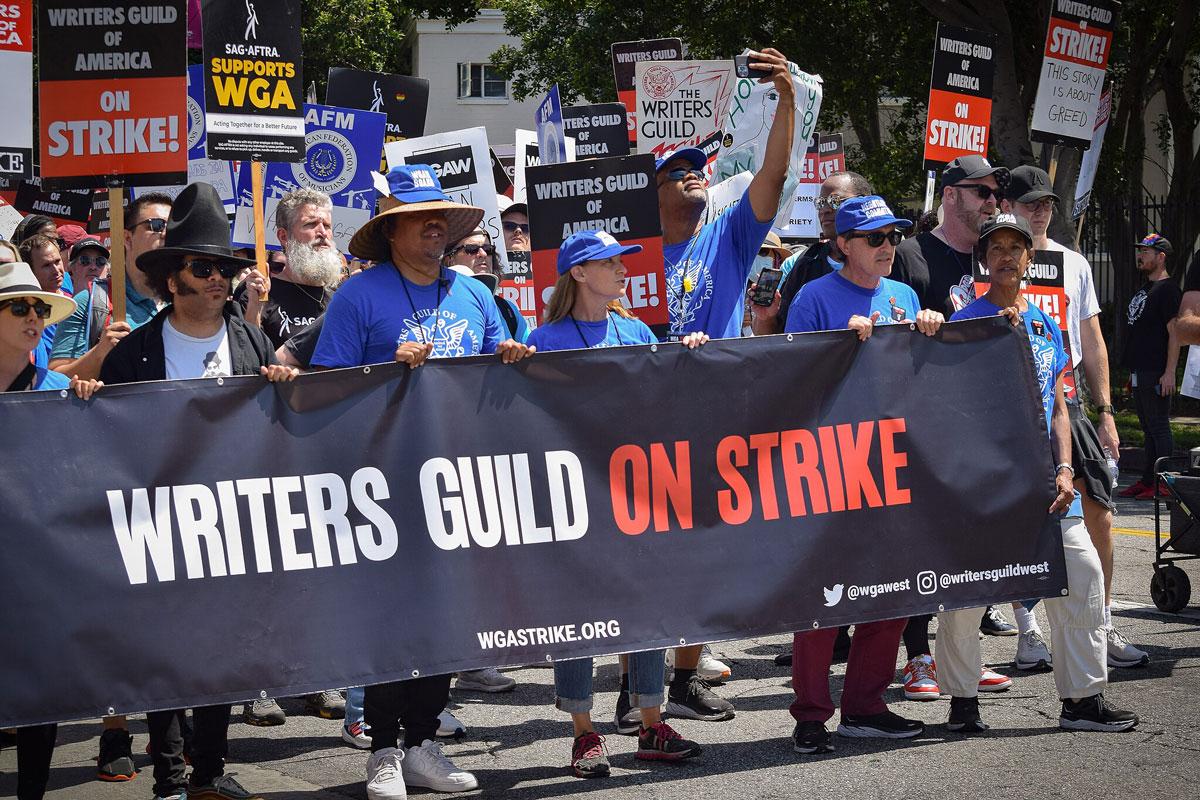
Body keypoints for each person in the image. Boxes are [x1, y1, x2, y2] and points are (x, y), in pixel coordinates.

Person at [312, 164, 534, 800]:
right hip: (383, 482)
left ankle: (422, 742)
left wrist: (511, 358)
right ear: (393, 231)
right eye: (421, 217)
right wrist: (385, 368)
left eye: (443, 216)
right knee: (390, 619)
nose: (437, 226)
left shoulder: (474, 293)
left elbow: (497, 367)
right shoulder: (359, 296)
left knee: (446, 616)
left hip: (458, 479)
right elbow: (328, 386)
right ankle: (382, 749)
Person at [99, 182, 296, 800]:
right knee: (167, 652)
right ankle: (172, 773)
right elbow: (107, 441)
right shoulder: (133, 355)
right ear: (171, 277)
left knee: (227, 650)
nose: (220, 280)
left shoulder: (251, 341)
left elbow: (277, 428)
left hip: (232, 524)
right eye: (204, 268)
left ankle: (210, 769)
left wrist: (283, 384)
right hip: (159, 521)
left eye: (226, 269)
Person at [943, 213, 1139, 734]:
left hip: (1050, 484)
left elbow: (1057, 406)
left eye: (1016, 246)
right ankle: (962, 702)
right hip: (984, 487)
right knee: (968, 592)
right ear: (984, 260)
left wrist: (1065, 468)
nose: (1006, 254)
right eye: (996, 247)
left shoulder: (1047, 323)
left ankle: (1082, 701)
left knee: (1084, 576)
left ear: (1030, 258)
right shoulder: (966, 322)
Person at [526, 229, 706, 776]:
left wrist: (688, 356)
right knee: (579, 616)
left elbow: (661, 397)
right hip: (575, 495)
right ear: (579, 273)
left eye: (623, 261)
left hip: (636, 492)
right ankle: (584, 732)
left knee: (645, 605)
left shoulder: (634, 330)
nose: (624, 269)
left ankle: (651, 721)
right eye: (611, 262)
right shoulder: (546, 338)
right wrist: (512, 360)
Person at [656, 45, 796, 722]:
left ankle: (681, 684)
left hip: (712, 415)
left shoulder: (729, 236)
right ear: (649, 191)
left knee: (703, 554)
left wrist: (788, 95)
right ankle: (640, 690)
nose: (693, 177)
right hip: (638, 418)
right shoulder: (623, 256)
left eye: (696, 170)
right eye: (676, 171)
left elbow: (772, 170)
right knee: (646, 556)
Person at [783, 196, 940, 753]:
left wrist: (930, 328)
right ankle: (810, 714)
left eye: (892, 236)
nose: (887, 247)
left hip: (895, 464)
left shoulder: (904, 296)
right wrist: (837, 349)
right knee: (823, 599)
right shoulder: (813, 297)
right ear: (841, 245)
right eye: (874, 238)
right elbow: (790, 383)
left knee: (893, 592)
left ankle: (867, 705)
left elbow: (923, 380)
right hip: (830, 467)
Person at [1000, 165, 1149, 670]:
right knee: (1026, 521)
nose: (1040, 210)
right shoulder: (995, 259)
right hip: (1014, 409)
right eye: (1029, 203)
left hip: (1068, 404)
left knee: (1099, 514)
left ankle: (1102, 622)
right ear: (1009, 207)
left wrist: (1105, 410)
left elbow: (1091, 340)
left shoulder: (1074, 264)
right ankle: (1027, 629)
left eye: (1046, 203)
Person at [890, 155, 1011, 696]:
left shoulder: (994, 258)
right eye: (981, 192)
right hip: (923, 423)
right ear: (950, 195)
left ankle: (961, 654)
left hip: (980, 423)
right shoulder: (912, 255)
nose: (991, 201)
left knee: (972, 547)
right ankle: (917, 656)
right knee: (922, 544)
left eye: (994, 194)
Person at [0, 260, 100, 800]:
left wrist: (89, 409)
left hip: (38, 567)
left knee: (40, 692)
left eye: (41, 307)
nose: (34, 316)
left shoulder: (61, 387)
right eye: (19, 306)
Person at [49, 192, 173, 384]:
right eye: (156, 225)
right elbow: (56, 379)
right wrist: (99, 353)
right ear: (127, 238)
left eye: (172, 228)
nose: (165, 234)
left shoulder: (185, 299)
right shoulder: (90, 301)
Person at [753, 171, 874, 335]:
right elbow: (777, 340)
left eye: (834, 201)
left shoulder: (887, 261)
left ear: (863, 202)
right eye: (820, 203)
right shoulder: (806, 264)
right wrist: (766, 318)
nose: (824, 210)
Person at [1117, 234, 1181, 502]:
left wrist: (1169, 372)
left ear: (1161, 256)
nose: (1140, 255)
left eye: (1146, 251)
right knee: (1148, 429)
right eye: (1140, 250)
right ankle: (1147, 481)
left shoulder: (1168, 290)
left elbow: (1175, 334)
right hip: (1140, 371)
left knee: (1159, 427)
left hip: (1156, 370)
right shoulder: (1145, 289)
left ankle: (1166, 482)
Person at [238, 188, 340, 351]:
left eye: (327, 225)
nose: (322, 233)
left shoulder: (341, 297)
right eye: (311, 224)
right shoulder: (259, 292)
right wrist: (254, 308)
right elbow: (248, 357)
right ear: (284, 236)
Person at [444, 228, 529, 343]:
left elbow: (531, 353)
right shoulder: (435, 303)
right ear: (450, 260)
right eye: (472, 249)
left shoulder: (507, 309)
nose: (483, 254)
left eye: (488, 249)